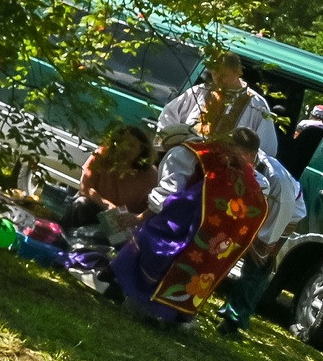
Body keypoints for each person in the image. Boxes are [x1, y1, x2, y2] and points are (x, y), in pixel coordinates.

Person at [104, 98, 266, 328]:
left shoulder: (186, 154)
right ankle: (175, 314)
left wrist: (141, 217)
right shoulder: (245, 175)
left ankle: (120, 285)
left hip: (183, 222)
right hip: (212, 236)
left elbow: (167, 193)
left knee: (151, 240)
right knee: (191, 270)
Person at [218, 144, 309, 335]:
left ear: (251, 154)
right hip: (255, 205)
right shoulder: (244, 160)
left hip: (285, 213)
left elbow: (274, 226)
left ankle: (234, 319)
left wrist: (261, 248)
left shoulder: (277, 183)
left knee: (258, 265)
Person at [156, 51, 275, 158]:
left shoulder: (256, 105)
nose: (218, 80)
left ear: (237, 72)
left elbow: (266, 148)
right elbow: (169, 115)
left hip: (226, 169)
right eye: (214, 74)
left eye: (223, 75)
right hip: (188, 158)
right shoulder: (200, 92)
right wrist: (172, 142)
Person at [60, 125, 154, 235]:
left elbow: (155, 207)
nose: (125, 149)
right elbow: (85, 187)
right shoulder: (101, 156)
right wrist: (108, 206)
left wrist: (136, 218)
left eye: (131, 145)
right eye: (121, 143)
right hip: (94, 207)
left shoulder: (151, 175)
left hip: (123, 222)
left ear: (142, 149)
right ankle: (61, 239)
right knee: (80, 204)